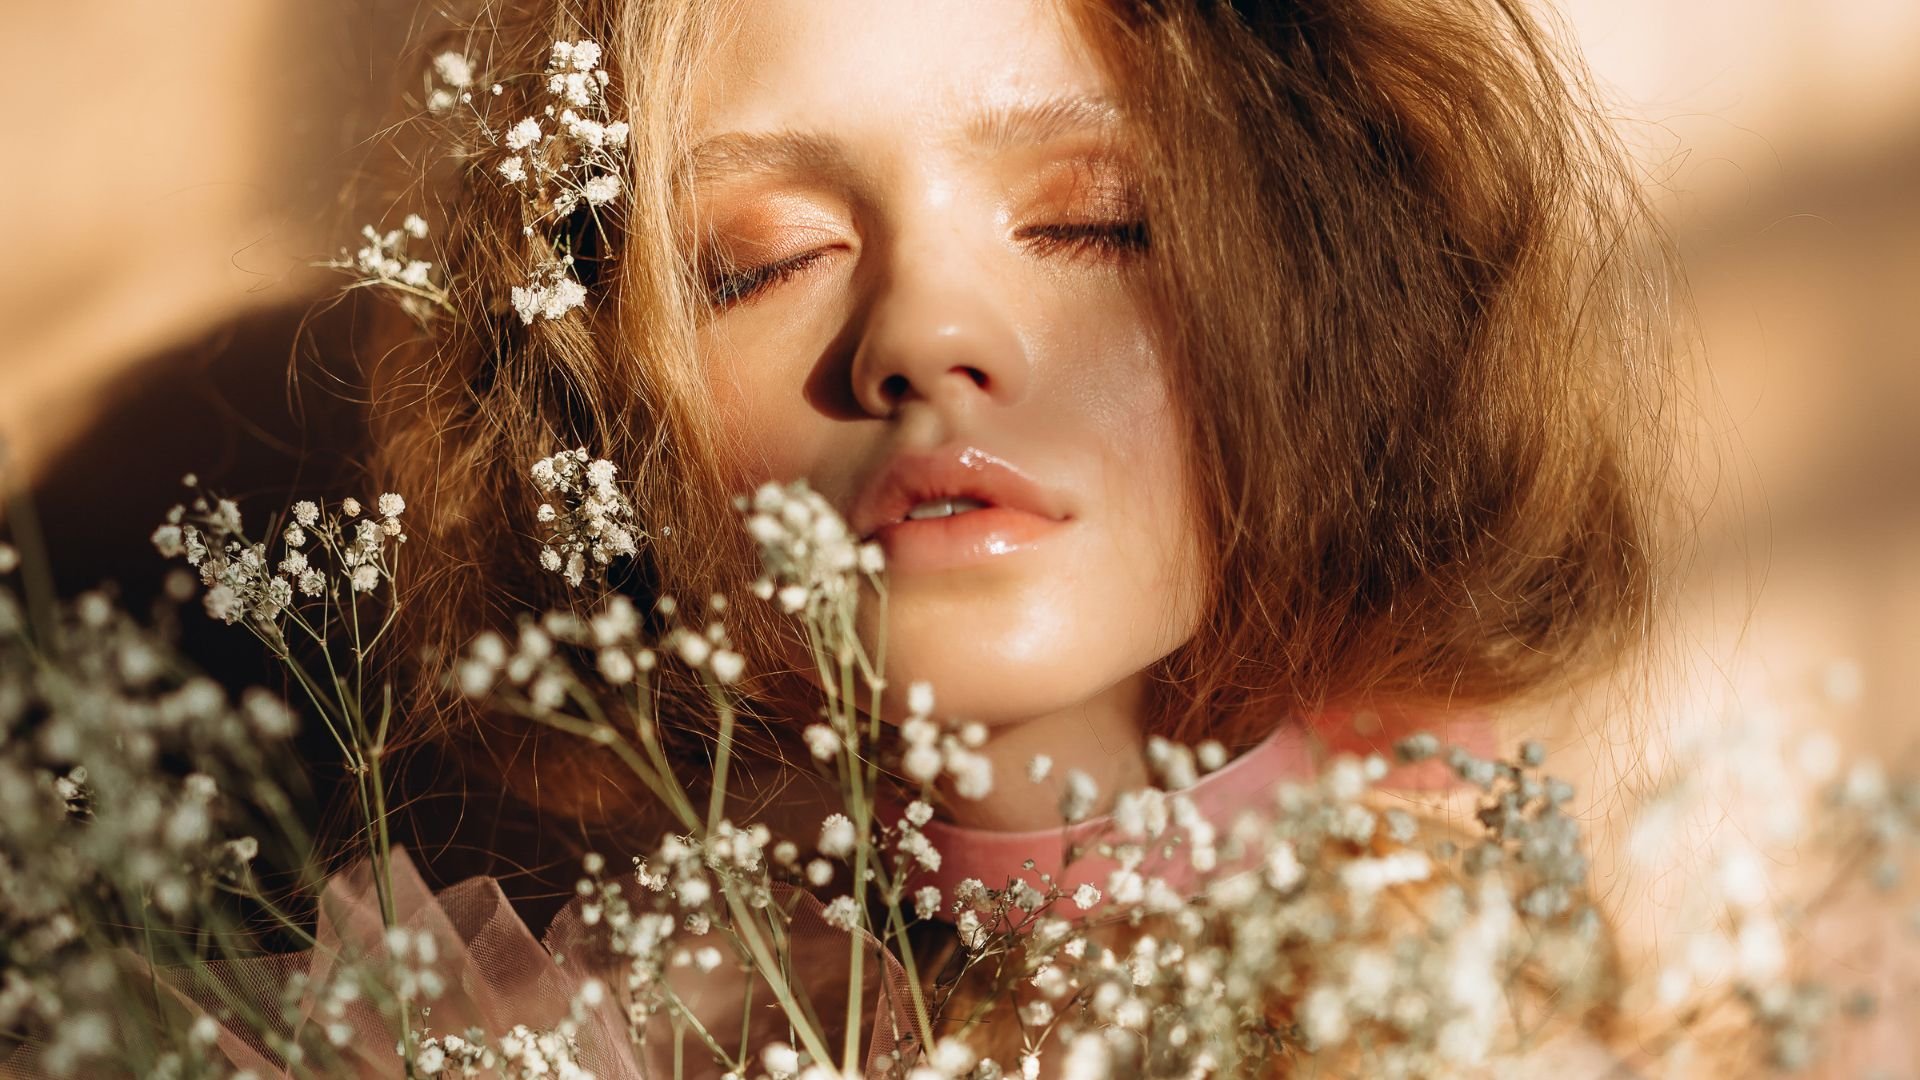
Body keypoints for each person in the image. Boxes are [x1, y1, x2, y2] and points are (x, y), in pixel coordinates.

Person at [355, 0, 1680, 1073]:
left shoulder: (1525, 1007)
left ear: (1335, 295)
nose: (924, 339)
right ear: (606, 407)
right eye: (763, 258)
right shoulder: (628, 1036)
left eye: (1092, 223)